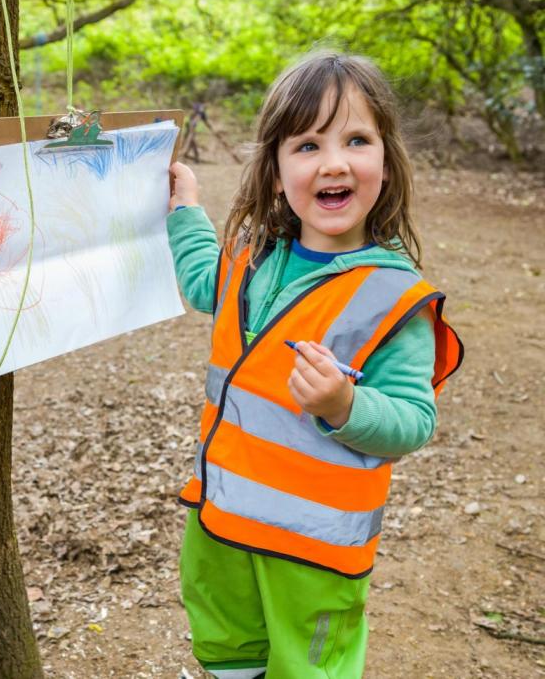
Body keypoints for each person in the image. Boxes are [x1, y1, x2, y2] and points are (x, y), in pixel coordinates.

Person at [166, 52, 463, 678]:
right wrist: (185, 208)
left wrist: (344, 406)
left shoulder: (395, 297)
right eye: (307, 145)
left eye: (356, 139)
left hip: (314, 548)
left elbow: (413, 419)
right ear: (276, 173)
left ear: (385, 161)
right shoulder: (255, 259)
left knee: (311, 668)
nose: (333, 162)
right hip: (221, 518)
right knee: (226, 644)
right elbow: (200, 282)